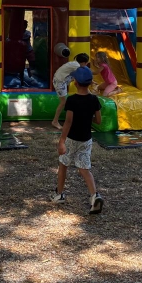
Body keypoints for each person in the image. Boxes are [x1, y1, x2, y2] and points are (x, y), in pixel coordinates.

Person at [52, 66, 104, 214]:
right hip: (86, 139)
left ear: (75, 82)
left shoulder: (72, 100)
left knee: (63, 164)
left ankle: (59, 194)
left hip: (71, 139)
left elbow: (68, 122)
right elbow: (98, 120)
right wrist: (87, 116)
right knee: (84, 168)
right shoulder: (94, 99)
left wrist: (62, 141)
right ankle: (95, 196)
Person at [50, 52, 90, 129]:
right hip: (60, 82)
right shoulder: (77, 66)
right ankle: (55, 121)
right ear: (84, 62)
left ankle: (72, 118)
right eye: (86, 63)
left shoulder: (75, 64)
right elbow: (87, 73)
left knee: (78, 81)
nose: (86, 65)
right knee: (63, 102)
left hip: (62, 79)